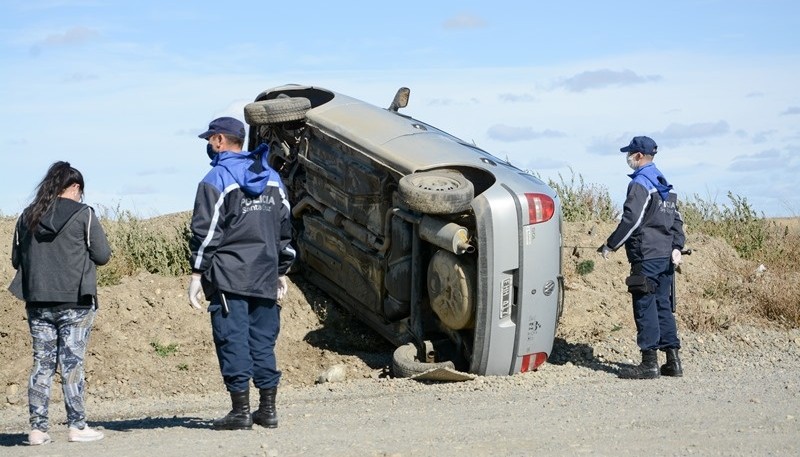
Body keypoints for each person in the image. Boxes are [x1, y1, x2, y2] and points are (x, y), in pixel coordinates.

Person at [188, 116, 295, 430]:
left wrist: (197, 273)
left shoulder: (215, 178)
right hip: (264, 274)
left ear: (220, 141)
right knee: (262, 341)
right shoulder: (272, 177)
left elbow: (206, 233)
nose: (209, 145)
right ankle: (268, 411)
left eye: (210, 139)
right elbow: (285, 230)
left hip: (228, 276)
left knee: (232, 339)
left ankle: (240, 413)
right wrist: (281, 270)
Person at [9, 161, 111, 445]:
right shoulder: (84, 214)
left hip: (37, 301)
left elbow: (17, 260)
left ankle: (38, 430)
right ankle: (77, 426)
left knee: (41, 364)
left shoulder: (26, 217)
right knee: (72, 364)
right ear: (75, 187)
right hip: (75, 302)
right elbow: (102, 255)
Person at [597, 136, 686, 379]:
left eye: (629, 154)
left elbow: (631, 220)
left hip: (646, 254)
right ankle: (673, 362)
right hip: (666, 255)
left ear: (638, 156)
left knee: (645, 305)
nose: (627, 158)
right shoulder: (664, 183)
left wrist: (610, 245)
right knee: (662, 305)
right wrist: (677, 245)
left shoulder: (641, 183)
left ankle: (649, 364)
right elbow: (677, 220)